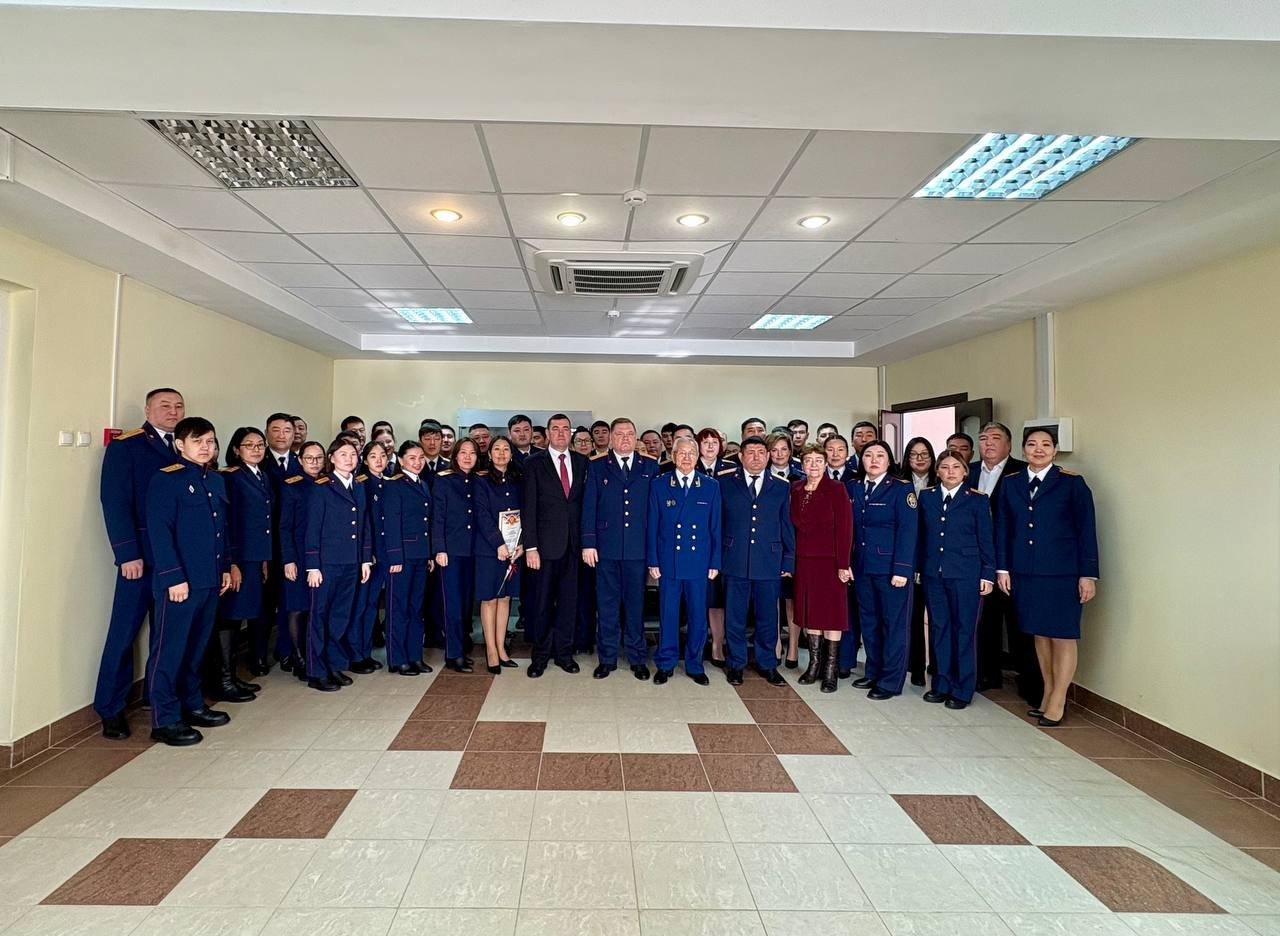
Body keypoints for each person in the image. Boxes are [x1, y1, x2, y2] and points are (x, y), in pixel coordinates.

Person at [96, 387, 185, 740]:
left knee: (167, 633)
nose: (173, 411)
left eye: (178, 406)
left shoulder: (187, 445)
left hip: (176, 558)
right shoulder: (127, 446)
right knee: (124, 633)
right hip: (142, 557)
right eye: (165, 405)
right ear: (148, 410)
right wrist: (126, 553)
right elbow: (115, 502)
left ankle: (157, 696)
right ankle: (110, 708)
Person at [996, 428, 1099, 727]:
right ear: (1023, 449)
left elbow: (1086, 530)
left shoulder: (1072, 483)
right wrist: (1002, 568)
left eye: (1045, 444)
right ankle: (1048, 692)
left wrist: (1088, 574)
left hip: (1062, 573)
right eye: (1032, 444)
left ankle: (1058, 699)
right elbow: (1003, 528)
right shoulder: (1011, 483)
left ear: (1055, 450)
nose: (1038, 449)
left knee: (1063, 635)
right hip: (1025, 572)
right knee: (1039, 633)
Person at [144, 416, 233, 746]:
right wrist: (173, 577)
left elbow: (221, 531)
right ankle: (165, 719)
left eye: (210, 441)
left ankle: (192, 705)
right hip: (180, 582)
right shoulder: (166, 480)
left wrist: (225, 568)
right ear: (180, 444)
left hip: (209, 578)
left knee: (196, 648)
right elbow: (159, 532)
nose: (206, 447)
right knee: (170, 651)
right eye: (198, 441)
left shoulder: (215, 480)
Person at [582, 417, 659, 680]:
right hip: (606, 548)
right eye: (619, 434)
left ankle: (637, 658)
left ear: (635, 438)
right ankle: (607, 658)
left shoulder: (650, 465)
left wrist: (653, 550)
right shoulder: (596, 466)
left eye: (629, 434)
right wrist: (588, 543)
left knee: (635, 605)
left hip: (638, 548)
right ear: (611, 438)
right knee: (607, 605)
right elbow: (589, 506)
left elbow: (655, 511)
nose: (625, 438)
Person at [917, 451, 995, 710]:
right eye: (945, 467)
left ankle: (962, 688)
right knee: (939, 627)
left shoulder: (977, 500)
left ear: (965, 471)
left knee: (964, 631)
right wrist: (918, 568)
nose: (950, 471)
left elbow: (986, 540)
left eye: (956, 467)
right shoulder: (927, 497)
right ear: (937, 471)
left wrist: (988, 573)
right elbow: (921, 536)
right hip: (934, 573)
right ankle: (941, 683)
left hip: (966, 574)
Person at [717, 436, 793, 686]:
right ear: (740, 456)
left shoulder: (781, 486)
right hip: (734, 559)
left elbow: (786, 525)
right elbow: (717, 524)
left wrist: (788, 560)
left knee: (768, 618)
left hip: (769, 561)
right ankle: (736, 664)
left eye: (761, 452)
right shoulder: (725, 482)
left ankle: (768, 663)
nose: (756, 457)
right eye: (750, 452)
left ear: (768, 456)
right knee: (735, 617)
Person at [647, 437, 721, 686]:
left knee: (698, 617)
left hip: (699, 561)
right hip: (669, 561)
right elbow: (652, 525)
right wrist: (653, 560)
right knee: (668, 614)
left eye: (691, 453)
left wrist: (715, 562)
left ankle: (695, 664)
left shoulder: (710, 486)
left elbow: (715, 527)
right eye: (682, 453)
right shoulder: (659, 484)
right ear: (673, 456)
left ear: (698, 457)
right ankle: (666, 663)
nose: (687, 458)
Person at [849, 440, 918, 700]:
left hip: (891, 569)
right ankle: (873, 671)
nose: (874, 460)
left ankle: (890, 681)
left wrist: (903, 569)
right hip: (862, 566)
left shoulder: (901, 489)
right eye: (868, 455)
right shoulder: (854, 487)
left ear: (889, 461)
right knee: (869, 622)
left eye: (880, 455)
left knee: (894, 625)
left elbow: (908, 531)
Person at [303, 438, 373, 692]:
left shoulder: (359, 486)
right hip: (326, 564)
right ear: (331, 458)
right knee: (319, 617)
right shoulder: (322, 487)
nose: (349, 459)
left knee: (340, 616)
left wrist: (365, 559)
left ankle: (332, 664)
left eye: (353, 454)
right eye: (343, 454)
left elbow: (364, 525)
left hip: (351, 562)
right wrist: (312, 565)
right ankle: (316, 670)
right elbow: (312, 528)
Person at [523, 414, 589, 677]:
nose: (561, 433)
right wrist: (530, 547)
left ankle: (564, 653)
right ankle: (540, 656)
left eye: (565, 429)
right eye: (556, 429)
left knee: (569, 603)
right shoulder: (533, 463)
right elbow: (528, 507)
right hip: (543, 548)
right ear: (548, 433)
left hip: (573, 546)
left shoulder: (582, 462)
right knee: (541, 603)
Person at [970, 421, 1032, 696]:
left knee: (1020, 622)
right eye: (984, 438)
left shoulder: (1022, 472)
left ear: (1009, 444)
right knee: (985, 620)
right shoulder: (969, 471)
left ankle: (1029, 682)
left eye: (996, 438)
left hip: (1015, 561)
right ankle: (986, 674)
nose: (989, 443)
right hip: (979, 561)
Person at [214, 427, 273, 704]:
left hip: (255, 557)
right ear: (237, 449)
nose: (256, 449)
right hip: (239, 558)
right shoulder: (231, 477)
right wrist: (233, 562)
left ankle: (232, 676)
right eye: (249, 445)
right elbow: (228, 523)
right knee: (231, 616)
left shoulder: (262, 476)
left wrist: (263, 558)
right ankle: (224, 680)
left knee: (243, 614)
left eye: (260, 444)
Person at [790, 443, 854, 693]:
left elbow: (845, 528)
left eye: (818, 460)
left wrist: (843, 564)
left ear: (826, 463)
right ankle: (814, 664)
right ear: (802, 465)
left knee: (832, 614)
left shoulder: (836, 489)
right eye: (808, 461)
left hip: (830, 562)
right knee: (811, 613)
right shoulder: (796, 488)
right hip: (804, 561)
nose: (813, 465)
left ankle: (830, 670)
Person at [381, 441, 433, 676]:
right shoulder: (394, 485)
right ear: (400, 460)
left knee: (416, 608)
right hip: (401, 557)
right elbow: (391, 524)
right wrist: (395, 557)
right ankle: (397, 658)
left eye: (421, 457)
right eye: (412, 458)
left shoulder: (423, 484)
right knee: (398, 608)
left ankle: (414, 655)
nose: (418, 462)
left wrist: (429, 554)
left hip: (420, 555)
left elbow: (425, 523)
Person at [432, 438, 482, 673]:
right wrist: (439, 548)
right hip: (451, 551)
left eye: (472, 453)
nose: (468, 457)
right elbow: (438, 517)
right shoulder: (444, 480)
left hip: (474, 551)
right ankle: (453, 654)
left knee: (466, 602)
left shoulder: (478, 479)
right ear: (455, 455)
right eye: (463, 452)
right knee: (452, 603)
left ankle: (461, 646)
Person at [278, 441, 327, 679]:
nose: (314, 463)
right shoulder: (292, 486)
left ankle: (313, 654)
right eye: (309, 458)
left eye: (319, 458)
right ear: (300, 460)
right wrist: (288, 559)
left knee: (316, 607)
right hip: (297, 555)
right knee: (297, 607)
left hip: (322, 555)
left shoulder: (328, 483)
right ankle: (298, 657)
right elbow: (284, 527)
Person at [475, 436, 522, 673]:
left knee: (505, 598)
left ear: (512, 454)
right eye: (497, 449)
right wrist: (498, 544)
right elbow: (482, 515)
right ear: (490, 453)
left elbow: (525, 513)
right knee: (490, 598)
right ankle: (491, 650)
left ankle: (502, 648)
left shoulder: (518, 480)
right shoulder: (481, 480)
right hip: (489, 550)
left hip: (514, 550)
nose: (501, 453)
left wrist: (521, 543)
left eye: (506, 449)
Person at [347, 441, 392, 675]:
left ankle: (365, 652)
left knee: (373, 605)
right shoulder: (361, 484)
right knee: (362, 605)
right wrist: (367, 552)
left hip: (386, 553)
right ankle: (356, 654)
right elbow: (362, 523)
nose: (379, 460)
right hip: (370, 554)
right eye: (373, 456)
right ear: (365, 460)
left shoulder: (389, 483)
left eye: (382, 455)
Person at [899, 436, 939, 687]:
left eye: (925, 454)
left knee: (936, 615)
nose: (920, 458)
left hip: (934, 556)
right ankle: (915, 666)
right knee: (912, 615)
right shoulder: (899, 483)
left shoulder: (941, 481)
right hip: (906, 557)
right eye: (914, 454)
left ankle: (936, 664)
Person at [695, 428, 733, 665]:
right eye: (705, 442)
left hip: (725, 540)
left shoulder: (731, 469)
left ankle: (718, 645)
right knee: (699, 597)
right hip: (697, 541)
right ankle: (697, 645)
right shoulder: (688, 467)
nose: (710, 446)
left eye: (714, 442)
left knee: (718, 598)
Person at [766, 431, 804, 667]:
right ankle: (775, 643)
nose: (779, 454)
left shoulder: (801, 476)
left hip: (797, 542)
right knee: (772, 598)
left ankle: (793, 646)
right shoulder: (762, 475)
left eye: (784, 449)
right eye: (774, 450)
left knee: (792, 598)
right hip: (770, 543)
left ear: (790, 451)